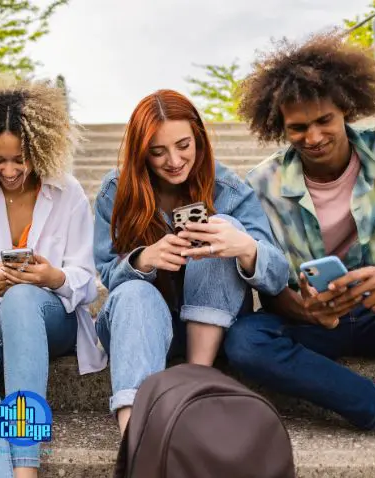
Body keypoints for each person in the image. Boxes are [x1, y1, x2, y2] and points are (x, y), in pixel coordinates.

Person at [224, 33, 375, 440]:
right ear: (279, 126)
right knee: (244, 341)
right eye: (298, 128)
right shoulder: (262, 184)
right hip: (316, 327)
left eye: (324, 120)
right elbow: (271, 287)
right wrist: (304, 310)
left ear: (346, 107)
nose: (313, 138)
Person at [94, 89, 289, 434]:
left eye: (183, 145)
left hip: (215, 333)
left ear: (198, 137)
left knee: (221, 228)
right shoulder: (116, 189)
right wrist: (144, 259)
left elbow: (277, 276)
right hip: (142, 328)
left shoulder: (227, 187)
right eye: (158, 152)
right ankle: (133, 437)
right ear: (141, 152)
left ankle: (195, 381)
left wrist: (244, 247)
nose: (173, 160)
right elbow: (108, 275)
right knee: (135, 291)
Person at [0, 79, 104, 478]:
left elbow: (87, 281)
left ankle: (25, 466)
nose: (10, 170)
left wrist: (52, 276)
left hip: (52, 317)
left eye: (20, 159)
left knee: (20, 299)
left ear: (39, 149)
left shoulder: (67, 193)